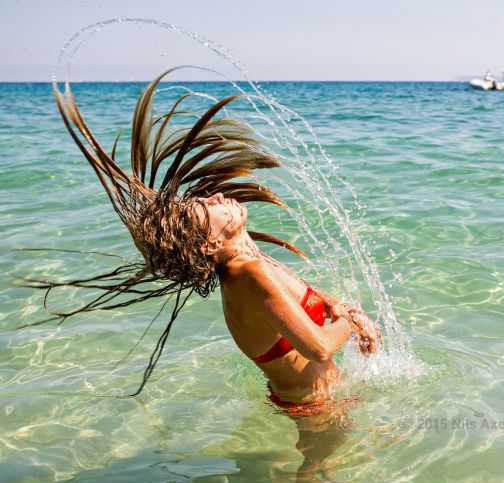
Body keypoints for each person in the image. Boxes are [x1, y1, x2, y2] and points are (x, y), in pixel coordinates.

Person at [39, 68, 380, 413]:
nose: (216, 198)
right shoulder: (249, 274)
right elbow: (319, 348)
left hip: (317, 396)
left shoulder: (248, 262)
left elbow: (294, 298)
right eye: (206, 208)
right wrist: (346, 324)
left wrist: (342, 309)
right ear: (209, 245)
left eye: (207, 199)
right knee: (316, 471)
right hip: (313, 406)